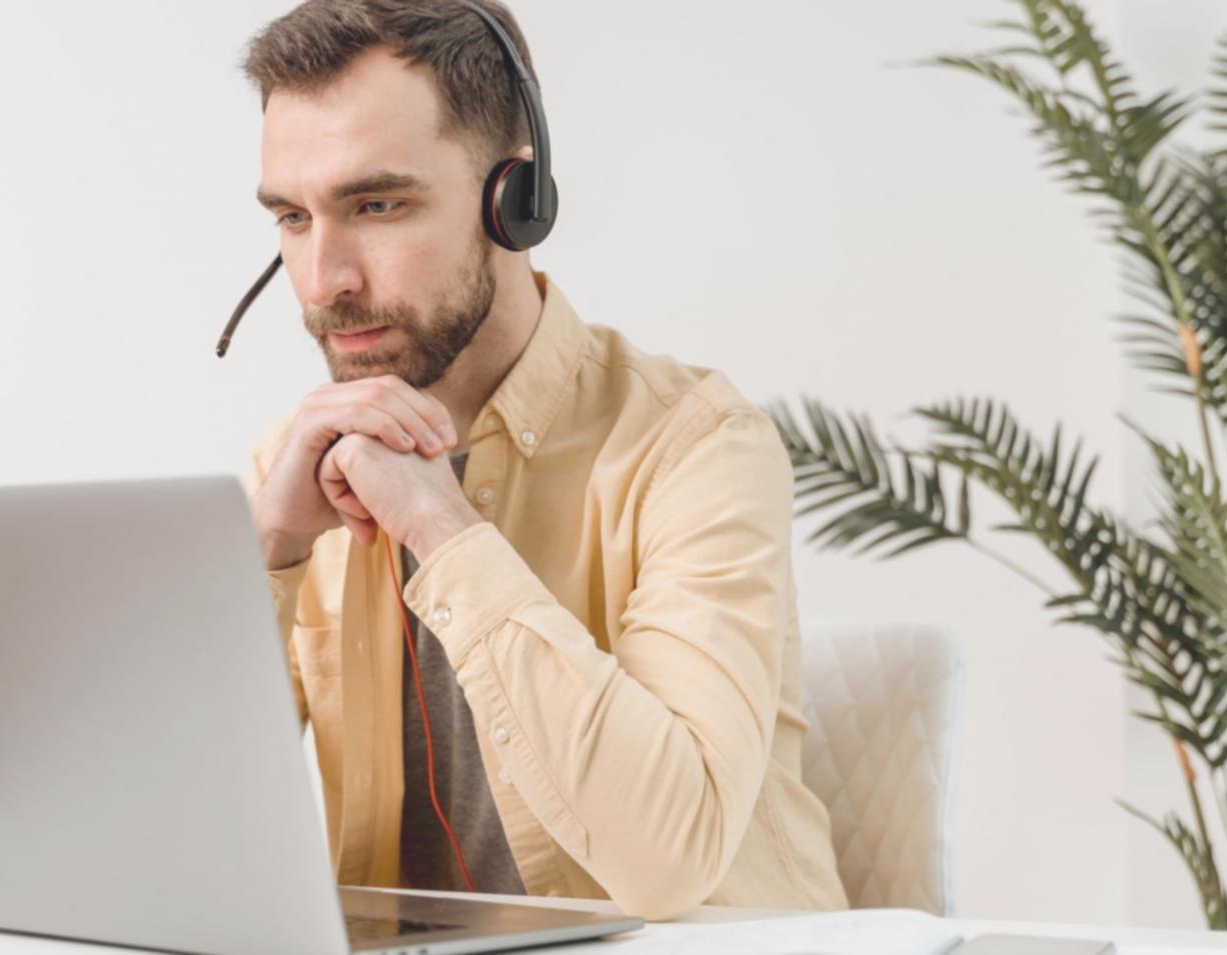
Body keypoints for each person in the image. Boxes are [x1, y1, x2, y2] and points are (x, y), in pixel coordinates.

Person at [238, 0, 848, 921]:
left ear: (514, 200)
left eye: (377, 204)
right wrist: (266, 551)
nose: (325, 281)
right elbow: (150, 835)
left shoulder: (694, 445)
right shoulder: (292, 475)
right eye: (293, 216)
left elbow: (668, 859)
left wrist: (440, 527)